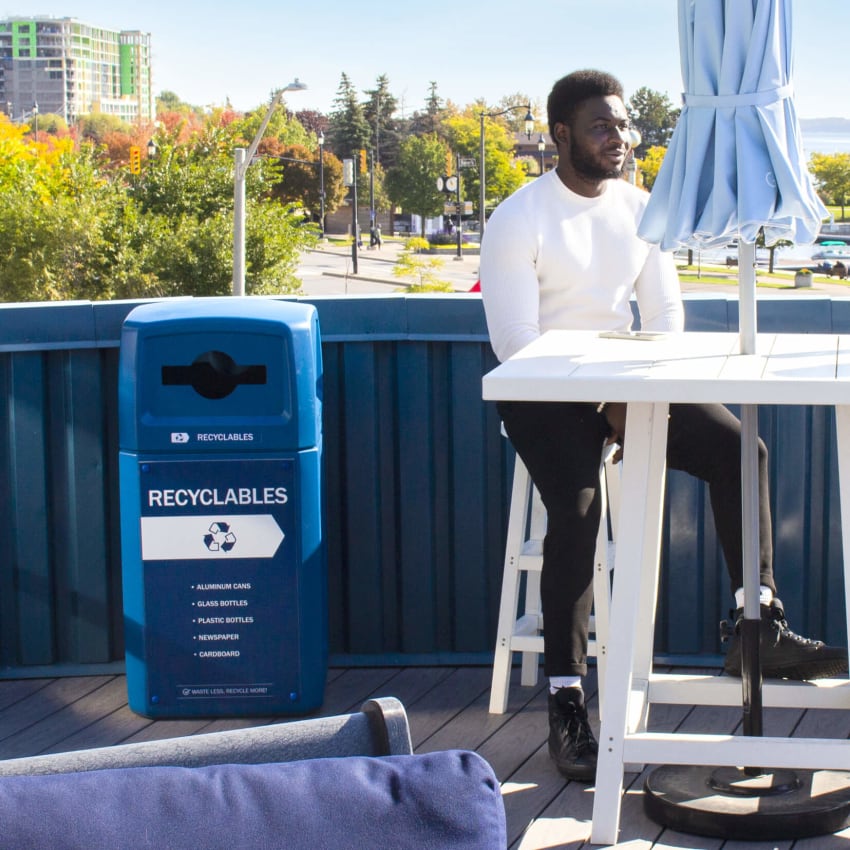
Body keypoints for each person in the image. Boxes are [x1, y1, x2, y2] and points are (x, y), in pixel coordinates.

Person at [479, 69, 848, 784]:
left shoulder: (642, 209)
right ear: (560, 136)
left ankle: (757, 625)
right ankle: (567, 705)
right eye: (601, 127)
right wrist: (606, 397)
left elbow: (667, 318)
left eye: (623, 126)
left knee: (743, 448)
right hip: (541, 394)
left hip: (624, 385)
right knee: (579, 513)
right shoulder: (518, 218)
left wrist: (635, 389)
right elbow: (515, 344)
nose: (619, 139)